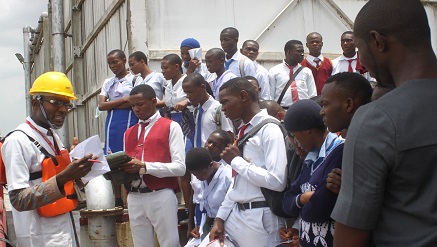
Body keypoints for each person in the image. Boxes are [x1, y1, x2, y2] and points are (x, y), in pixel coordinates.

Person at [331, 1, 437, 246]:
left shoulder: (376, 120)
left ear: (378, 41)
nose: (361, 62)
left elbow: (350, 239)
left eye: (360, 48)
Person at [1, 72, 94, 246]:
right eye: (56, 102)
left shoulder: (52, 137)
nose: (63, 110)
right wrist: (64, 177)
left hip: (65, 232)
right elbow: (18, 199)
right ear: (36, 104)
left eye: (66, 104)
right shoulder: (17, 141)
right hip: (39, 237)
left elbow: (59, 180)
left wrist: (79, 171)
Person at [209, 77, 287, 247]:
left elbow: (277, 180)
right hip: (237, 214)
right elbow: (237, 182)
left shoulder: (270, 129)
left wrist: (236, 161)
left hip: (260, 219)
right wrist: (220, 217)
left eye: (225, 102)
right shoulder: (245, 130)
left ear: (243, 96)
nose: (222, 109)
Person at [120, 84, 185, 247]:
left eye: (140, 104)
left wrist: (145, 166)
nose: (136, 109)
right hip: (134, 195)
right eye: (133, 105)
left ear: (154, 101)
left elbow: (180, 167)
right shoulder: (128, 132)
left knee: (169, 243)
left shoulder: (171, 126)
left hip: (161, 194)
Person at [282, 99, 344, 247]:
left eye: (295, 136)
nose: (296, 142)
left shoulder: (339, 152)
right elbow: (286, 202)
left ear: (307, 131)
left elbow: (318, 211)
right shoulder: (310, 159)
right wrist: (302, 199)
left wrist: (301, 209)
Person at [181, 73, 234, 239]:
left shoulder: (218, 109)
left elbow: (228, 136)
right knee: (199, 200)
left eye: (190, 92)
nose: (188, 97)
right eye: (186, 93)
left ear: (202, 88)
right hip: (199, 164)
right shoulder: (196, 110)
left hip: (213, 167)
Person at [99, 49, 142, 206]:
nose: (112, 66)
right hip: (112, 124)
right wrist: (123, 100)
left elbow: (134, 101)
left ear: (124, 60)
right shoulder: (108, 82)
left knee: (128, 156)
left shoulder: (134, 80)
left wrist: (117, 103)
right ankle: (117, 198)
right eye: (110, 63)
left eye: (115, 62)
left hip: (129, 121)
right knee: (112, 159)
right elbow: (102, 105)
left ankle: (131, 192)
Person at [319, 72, 372, 194]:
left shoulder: (368, 145)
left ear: (348, 105)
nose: (321, 112)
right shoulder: (353, 142)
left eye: (325, 104)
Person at [185, 147, 232, 240]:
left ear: (211, 165)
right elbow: (210, 211)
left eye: (200, 174)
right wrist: (203, 228)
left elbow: (230, 206)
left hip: (231, 227)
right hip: (213, 227)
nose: (198, 178)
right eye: (195, 175)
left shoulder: (228, 177)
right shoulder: (205, 177)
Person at [269, 40, 317, 109]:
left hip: (303, 111)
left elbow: (313, 95)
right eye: (298, 51)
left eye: (302, 51)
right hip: (283, 111)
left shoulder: (306, 71)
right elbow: (271, 96)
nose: (302, 54)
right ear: (288, 52)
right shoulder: (274, 71)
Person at [161, 54, 194, 151]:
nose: (163, 71)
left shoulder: (188, 82)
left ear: (176, 67)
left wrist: (187, 101)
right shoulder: (167, 86)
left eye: (166, 68)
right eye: (162, 68)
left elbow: (201, 98)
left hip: (188, 122)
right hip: (172, 124)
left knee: (186, 150)